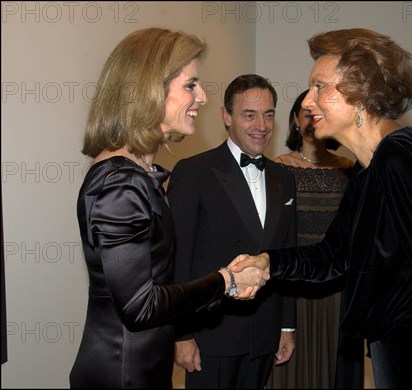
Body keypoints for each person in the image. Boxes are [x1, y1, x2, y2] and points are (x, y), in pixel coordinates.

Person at [232, 28, 412, 389]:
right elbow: (334, 256)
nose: (307, 102)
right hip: (396, 350)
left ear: (360, 93)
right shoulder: (368, 167)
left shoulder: (401, 158)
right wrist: (268, 261)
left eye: (319, 86)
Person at [69, 28, 269, 389]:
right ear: (149, 89)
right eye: (190, 85)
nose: (203, 97)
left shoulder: (138, 174)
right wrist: (227, 280)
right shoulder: (118, 182)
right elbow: (140, 306)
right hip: (122, 374)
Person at [167, 74, 298, 388]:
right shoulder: (193, 171)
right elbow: (177, 258)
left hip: (264, 334)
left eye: (268, 115)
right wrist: (181, 334)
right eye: (249, 115)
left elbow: (286, 256)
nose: (261, 125)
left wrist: (287, 327)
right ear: (226, 116)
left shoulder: (284, 177)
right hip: (212, 335)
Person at [266, 89, 361, 389]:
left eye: (317, 112)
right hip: (294, 281)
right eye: (305, 113)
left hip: (337, 283)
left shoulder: (348, 168)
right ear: (295, 120)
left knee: (335, 362)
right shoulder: (278, 168)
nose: (311, 117)